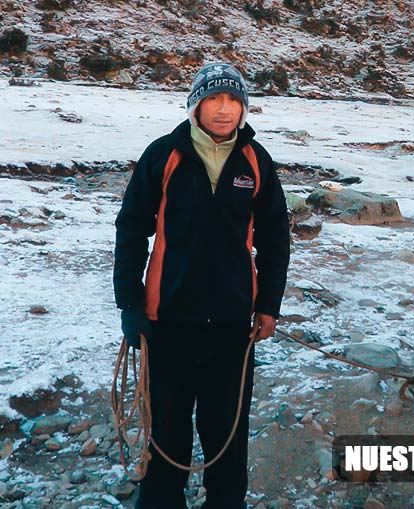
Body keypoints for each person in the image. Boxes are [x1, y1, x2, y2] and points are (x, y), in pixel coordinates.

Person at [113, 62, 291, 509]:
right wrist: (129, 304)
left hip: (232, 325)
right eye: (214, 99)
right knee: (167, 433)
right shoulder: (164, 155)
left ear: (244, 109)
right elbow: (132, 229)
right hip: (168, 320)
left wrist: (268, 305)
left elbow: (274, 238)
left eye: (233, 100)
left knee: (226, 436)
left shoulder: (255, 161)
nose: (224, 109)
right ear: (196, 105)